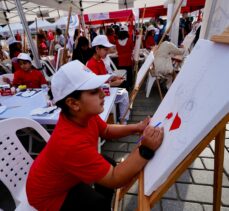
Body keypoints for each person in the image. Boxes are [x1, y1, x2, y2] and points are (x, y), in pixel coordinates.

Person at [26, 60, 164, 211]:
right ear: (73, 103)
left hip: (61, 177)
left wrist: (137, 127)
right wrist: (145, 151)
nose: (102, 93)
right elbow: (114, 179)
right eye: (93, 91)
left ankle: (105, 201)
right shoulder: (70, 142)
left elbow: (106, 131)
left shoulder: (84, 115)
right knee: (97, 203)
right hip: (49, 196)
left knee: (109, 163)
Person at [87, 35, 130, 123]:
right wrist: (113, 84)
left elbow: (106, 75)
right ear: (97, 49)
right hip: (100, 94)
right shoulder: (92, 64)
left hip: (106, 90)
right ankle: (122, 119)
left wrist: (115, 78)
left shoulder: (100, 61)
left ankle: (123, 119)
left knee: (124, 93)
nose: (107, 52)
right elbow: (95, 86)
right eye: (105, 50)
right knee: (124, 94)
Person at [116, 25, 134, 90]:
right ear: (127, 32)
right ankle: (129, 86)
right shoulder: (129, 40)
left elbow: (117, 50)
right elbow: (132, 48)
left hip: (120, 60)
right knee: (129, 74)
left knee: (122, 75)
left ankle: (123, 86)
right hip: (128, 60)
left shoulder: (117, 41)